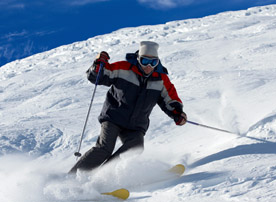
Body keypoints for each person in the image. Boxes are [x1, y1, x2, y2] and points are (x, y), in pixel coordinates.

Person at [69, 41, 187, 174]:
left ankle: (104, 176)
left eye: (153, 62)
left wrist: (177, 113)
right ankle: (71, 177)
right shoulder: (124, 68)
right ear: (138, 59)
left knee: (135, 148)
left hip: (136, 125)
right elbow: (98, 76)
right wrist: (98, 66)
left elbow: (170, 99)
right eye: (144, 61)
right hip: (114, 118)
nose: (148, 66)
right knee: (105, 148)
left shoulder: (161, 80)